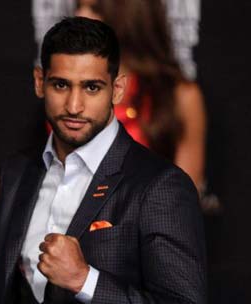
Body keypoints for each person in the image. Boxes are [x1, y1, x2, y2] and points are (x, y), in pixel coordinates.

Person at [0, 17, 207, 304]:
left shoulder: (158, 184)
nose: (74, 105)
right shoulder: (19, 173)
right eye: (61, 85)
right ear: (38, 82)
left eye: (92, 87)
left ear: (117, 88)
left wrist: (85, 280)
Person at [75, 0, 206, 191]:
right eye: (79, 6)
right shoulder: (68, 89)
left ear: (131, 14)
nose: (80, 16)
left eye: (95, 9)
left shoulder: (179, 96)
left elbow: (183, 200)